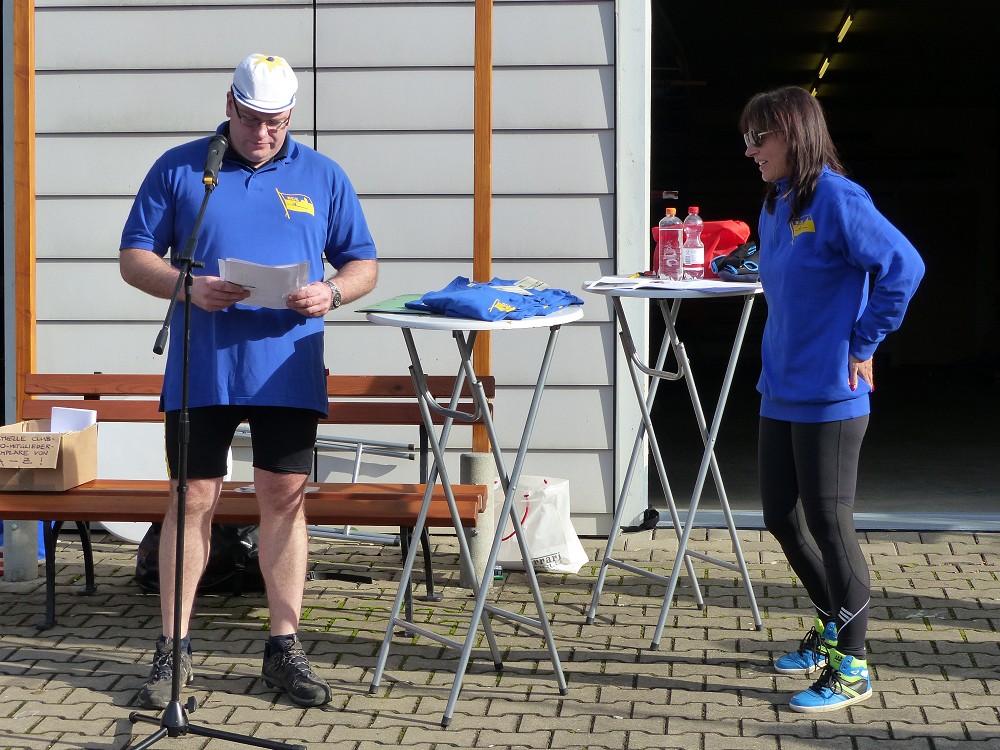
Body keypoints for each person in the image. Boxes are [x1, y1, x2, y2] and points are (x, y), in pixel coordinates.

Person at [120, 53, 378, 709]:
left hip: (286, 368)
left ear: (290, 115)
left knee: (284, 498)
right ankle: (173, 649)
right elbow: (134, 257)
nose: (263, 134)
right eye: (252, 120)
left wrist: (331, 293)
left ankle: (284, 646)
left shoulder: (322, 175)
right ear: (229, 106)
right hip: (202, 366)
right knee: (192, 500)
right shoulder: (183, 168)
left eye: (277, 122)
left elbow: (363, 263)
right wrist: (187, 285)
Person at [740, 86, 924, 713]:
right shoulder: (776, 202)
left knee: (829, 522)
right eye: (747, 140)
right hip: (779, 386)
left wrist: (864, 340)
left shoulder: (839, 199)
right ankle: (829, 627)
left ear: (794, 134)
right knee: (779, 516)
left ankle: (852, 666)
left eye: (759, 138)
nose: (751, 151)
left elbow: (905, 267)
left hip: (831, 394)